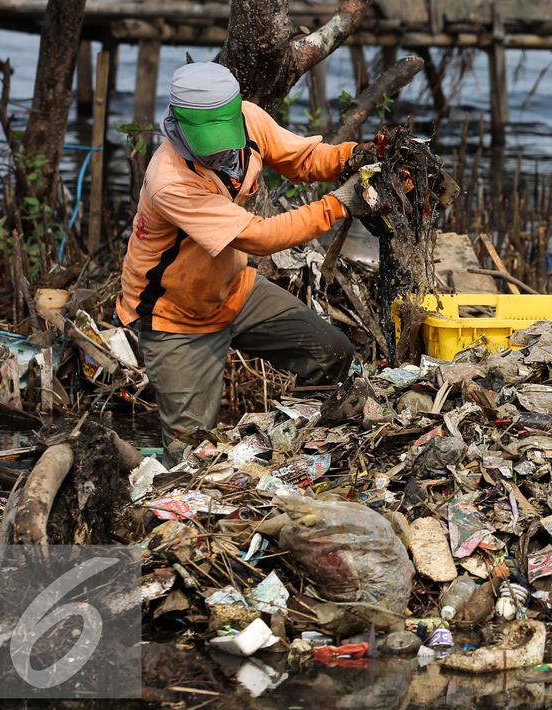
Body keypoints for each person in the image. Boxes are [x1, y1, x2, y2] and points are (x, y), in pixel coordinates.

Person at [118, 61, 375, 455]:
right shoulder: (169, 182)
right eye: (210, 143)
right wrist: (338, 205)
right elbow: (260, 236)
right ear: (178, 126)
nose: (222, 151)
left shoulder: (248, 119)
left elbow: (303, 159)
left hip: (234, 289)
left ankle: (304, 444)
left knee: (331, 352)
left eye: (225, 137)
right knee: (192, 453)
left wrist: (353, 156)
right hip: (176, 316)